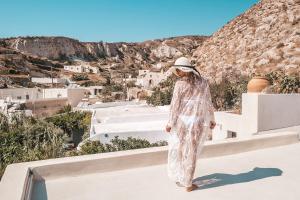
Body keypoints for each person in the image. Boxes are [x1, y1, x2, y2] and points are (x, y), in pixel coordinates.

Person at [165, 57, 216, 192]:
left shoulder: (179, 84)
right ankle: (188, 181)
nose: (177, 72)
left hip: (182, 120)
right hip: (197, 121)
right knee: (192, 151)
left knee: (181, 147)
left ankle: (183, 176)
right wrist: (211, 119)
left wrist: (170, 123)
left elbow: (175, 105)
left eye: (177, 70)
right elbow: (208, 102)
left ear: (182, 70)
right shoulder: (203, 82)